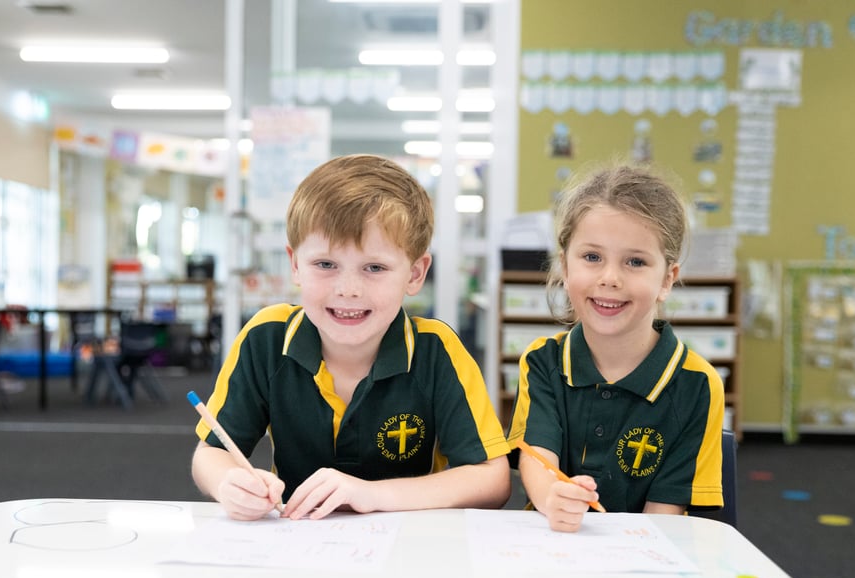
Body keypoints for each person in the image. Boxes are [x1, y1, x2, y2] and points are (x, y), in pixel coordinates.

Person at [192, 154, 512, 521]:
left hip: (408, 551)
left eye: (374, 268)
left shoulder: (436, 350)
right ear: (295, 264)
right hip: (298, 547)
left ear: (415, 274)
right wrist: (228, 483)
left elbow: (493, 479)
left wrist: (373, 494)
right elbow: (209, 453)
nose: (348, 289)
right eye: (325, 265)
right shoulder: (266, 338)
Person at [506, 162, 724, 533]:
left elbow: (663, 515)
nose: (610, 278)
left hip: (641, 562)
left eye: (635, 262)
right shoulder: (543, 361)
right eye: (592, 257)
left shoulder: (697, 385)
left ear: (667, 279)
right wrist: (551, 499)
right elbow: (537, 460)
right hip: (552, 551)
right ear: (564, 265)